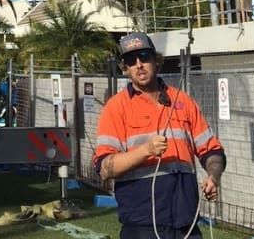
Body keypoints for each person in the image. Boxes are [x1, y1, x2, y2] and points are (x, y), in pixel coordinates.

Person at [95, 33, 226, 239]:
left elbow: (212, 150)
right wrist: (145, 151)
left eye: (144, 56)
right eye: (131, 60)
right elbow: (105, 168)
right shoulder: (116, 108)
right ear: (125, 68)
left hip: (186, 222)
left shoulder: (183, 101)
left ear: (156, 60)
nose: (139, 64)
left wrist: (213, 176)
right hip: (141, 224)